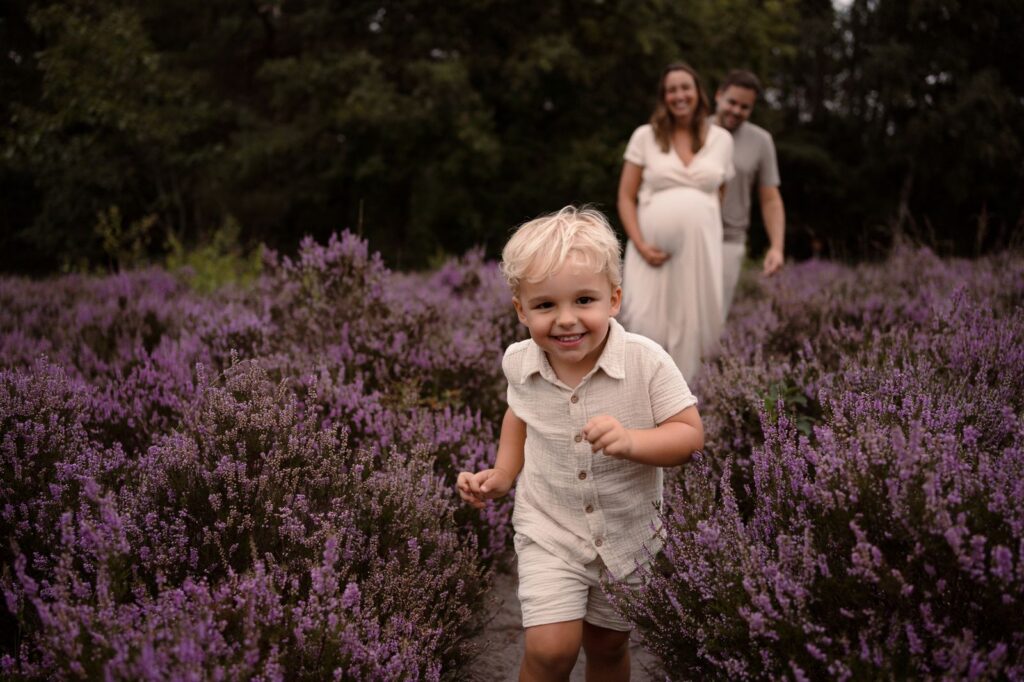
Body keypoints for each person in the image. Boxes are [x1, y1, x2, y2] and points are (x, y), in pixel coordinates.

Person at [456, 206, 703, 682]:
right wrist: (503, 475)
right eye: (546, 305)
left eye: (583, 300)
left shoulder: (646, 362)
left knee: (608, 647)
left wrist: (633, 440)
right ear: (521, 309)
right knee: (551, 649)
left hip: (630, 536)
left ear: (614, 299)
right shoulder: (520, 362)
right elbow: (518, 415)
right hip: (549, 529)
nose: (566, 320)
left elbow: (689, 437)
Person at [617, 62, 734, 383]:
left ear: (698, 93)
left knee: (693, 327)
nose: (679, 95)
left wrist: (695, 222)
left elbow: (718, 193)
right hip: (649, 253)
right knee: (644, 322)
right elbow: (626, 196)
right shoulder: (645, 136)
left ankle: (686, 404)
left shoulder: (722, 140)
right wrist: (640, 243)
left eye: (686, 88)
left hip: (698, 255)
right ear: (663, 97)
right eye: (672, 90)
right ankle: (642, 394)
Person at [713, 69, 786, 317]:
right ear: (718, 96)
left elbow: (770, 199)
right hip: (688, 238)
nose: (736, 111)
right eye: (732, 102)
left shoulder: (761, 141)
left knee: (713, 320)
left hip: (729, 241)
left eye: (744, 107)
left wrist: (776, 247)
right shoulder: (694, 130)